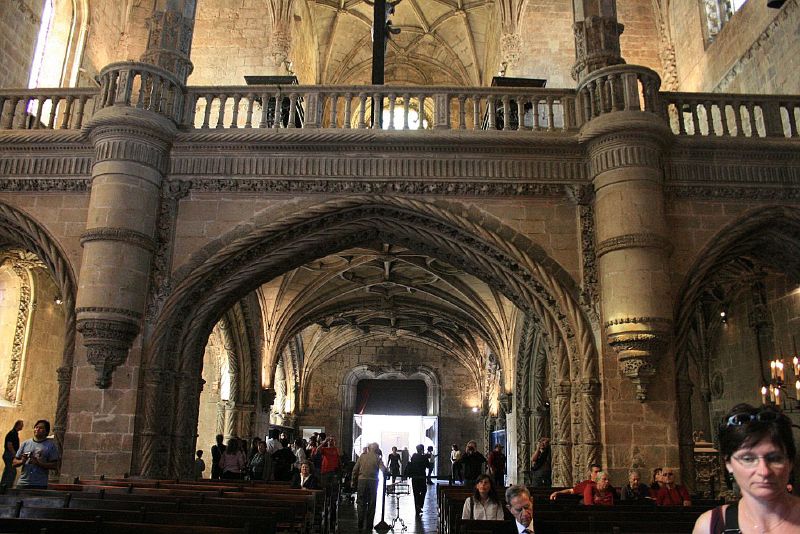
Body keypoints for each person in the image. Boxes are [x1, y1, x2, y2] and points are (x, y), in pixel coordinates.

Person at [693, 403, 800, 534]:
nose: (764, 471)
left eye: (774, 458)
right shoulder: (710, 526)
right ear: (728, 463)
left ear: (790, 462)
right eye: (748, 459)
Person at [351, 442, 386, 531]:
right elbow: (383, 469)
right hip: (373, 482)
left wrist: (353, 481)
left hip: (362, 481)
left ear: (369, 449)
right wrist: (387, 472)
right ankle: (369, 526)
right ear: (376, 449)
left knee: (361, 502)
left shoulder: (362, 457)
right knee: (371, 503)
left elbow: (355, 470)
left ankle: (360, 524)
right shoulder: (377, 458)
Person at [14, 419, 58, 489]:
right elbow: (14, 463)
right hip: (23, 483)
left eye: (41, 428)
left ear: (46, 431)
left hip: (39, 484)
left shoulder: (50, 446)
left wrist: (39, 463)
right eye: (36, 427)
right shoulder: (25, 443)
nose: (37, 429)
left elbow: (55, 465)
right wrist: (22, 461)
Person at [405, 443, 431, 515]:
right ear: (422, 450)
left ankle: (417, 508)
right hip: (422, 477)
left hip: (414, 477)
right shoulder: (424, 457)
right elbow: (428, 466)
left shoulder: (414, 456)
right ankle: (420, 504)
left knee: (415, 493)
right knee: (423, 491)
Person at [2, 420, 23, 488]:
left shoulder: (14, 433)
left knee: (8, 471)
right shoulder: (12, 433)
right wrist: (15, 455)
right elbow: (9, 445)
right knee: (12, 472)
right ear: (18, 425)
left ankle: (3, 487)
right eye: (21, 425)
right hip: (9, 454)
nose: (22, 426)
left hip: (9, 454)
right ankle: (7, 488)